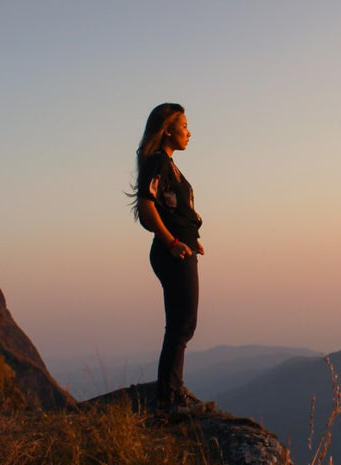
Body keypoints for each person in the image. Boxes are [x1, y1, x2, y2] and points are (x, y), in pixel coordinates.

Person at [130, 103, 210, 413]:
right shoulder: (158, 162)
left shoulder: (168, 165)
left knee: (179, 325)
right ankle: (169, 401)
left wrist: (193, 239)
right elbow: (146, 207)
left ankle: (171, 395)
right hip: (172, 253)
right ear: (167, 130)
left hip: (181, 250)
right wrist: (173, 242)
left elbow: (171, 208)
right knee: (182, 325)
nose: (189, 133)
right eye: (184, 126)